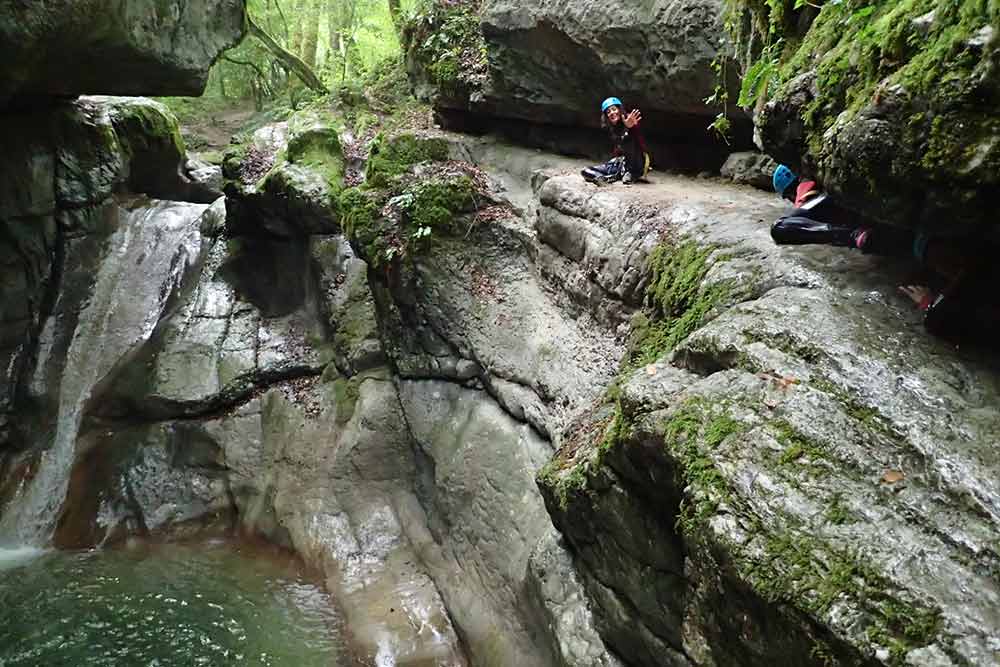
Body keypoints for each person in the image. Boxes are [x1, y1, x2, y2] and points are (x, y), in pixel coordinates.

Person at [769, 164, 1000, 343]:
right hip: (912, 236)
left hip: (911, 239)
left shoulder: (825, 198)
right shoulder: (829, 198)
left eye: (791, 196)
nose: (794, 202)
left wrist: (929, 303)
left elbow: (941, 317)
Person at [581, 97, 651, 185]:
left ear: (619, 109)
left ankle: (630, 173)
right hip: (621, 163)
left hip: (636, 161)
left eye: (614, 109)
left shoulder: (630, 120)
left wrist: (630, 128)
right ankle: (603, 179)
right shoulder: (614, 129)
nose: (612, 113)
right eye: (608, 112)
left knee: (627, 139)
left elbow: (637, 140)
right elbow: (618, 149)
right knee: (585, 171)